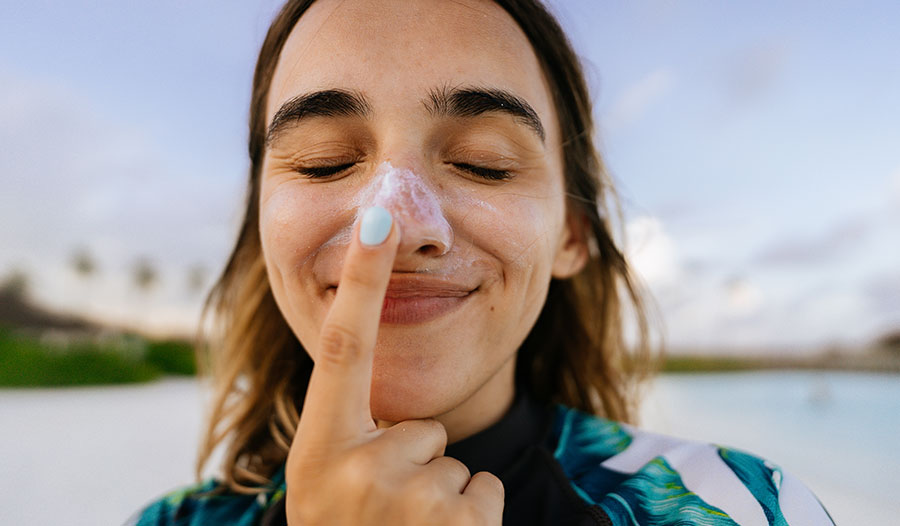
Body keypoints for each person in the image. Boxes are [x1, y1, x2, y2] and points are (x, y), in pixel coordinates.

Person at [128, 0, 834, 524]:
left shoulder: (746, 506)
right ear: (261, 227)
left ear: (572, 236)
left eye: (483, 164)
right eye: (324, 163)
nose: (399, 225)